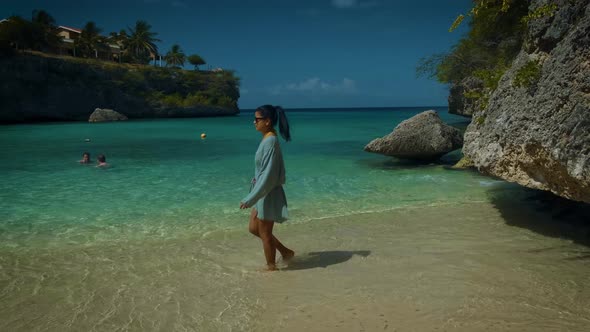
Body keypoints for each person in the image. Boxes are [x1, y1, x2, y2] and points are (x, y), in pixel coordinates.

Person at [240, 105, 294, 271]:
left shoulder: (270, 141)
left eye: (257, 119)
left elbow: (269, 175)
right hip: (262, 191)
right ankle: (286, 252)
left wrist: (251, 198)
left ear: (268, 121)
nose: (254, 122)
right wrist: (254, 195)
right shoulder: (267, 138)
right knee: (253, 228)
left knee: (264, 233)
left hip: (268, 192)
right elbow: (263, 172)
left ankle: (271, 268)